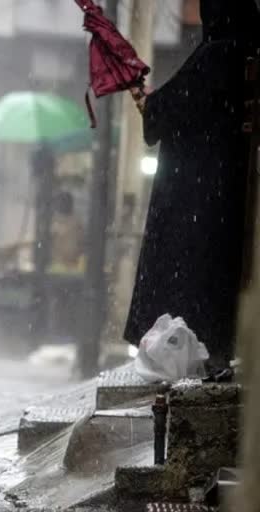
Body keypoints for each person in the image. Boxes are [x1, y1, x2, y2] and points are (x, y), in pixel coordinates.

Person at [125, 0, 260, 372]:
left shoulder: (217, 54)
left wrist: (144, 99)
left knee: (184, 284)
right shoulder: (246, 49)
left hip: (195, 199)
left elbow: (165, 111)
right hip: (220, 197)